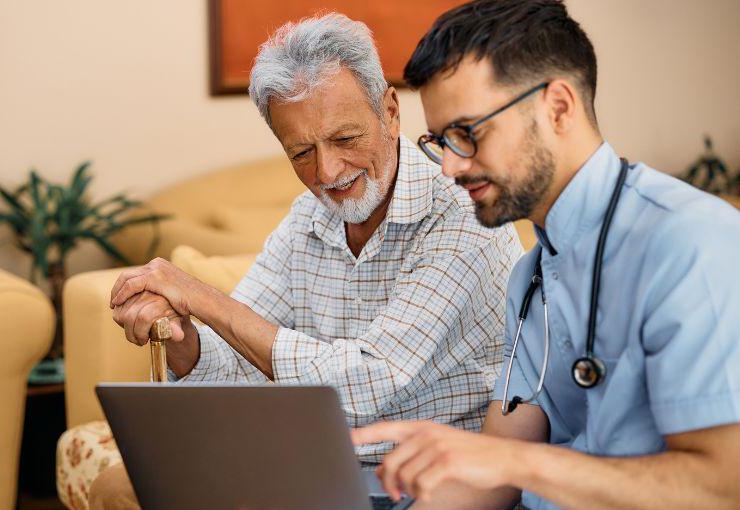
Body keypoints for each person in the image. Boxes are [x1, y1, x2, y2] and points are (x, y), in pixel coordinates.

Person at [89, 13, 523, 509]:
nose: (327, 172)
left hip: (429, 479)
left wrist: (201, 297)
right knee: (118, 489)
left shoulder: (462, 217)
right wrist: (186, 341)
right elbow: (239, 363)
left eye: (345, 139)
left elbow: (365, 384)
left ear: (390, 111)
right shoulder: (307, 220)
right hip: (317, 460)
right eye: (301, 152)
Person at [352, 1, 740, 509]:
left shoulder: (693, 242)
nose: (449, 167)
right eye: (441, 141)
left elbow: (722, 488)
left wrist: (508, 463)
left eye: (467, 134)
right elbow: (493, 468)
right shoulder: (531, 276)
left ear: (557, 107)